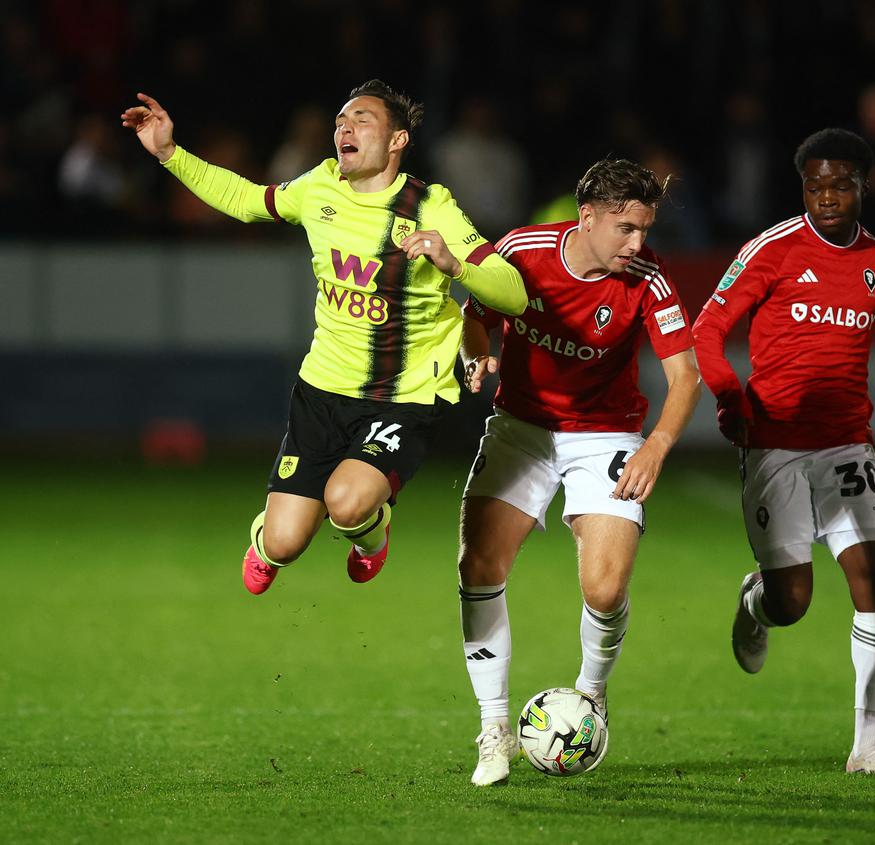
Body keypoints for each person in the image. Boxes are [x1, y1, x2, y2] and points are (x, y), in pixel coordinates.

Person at [120, 81, 527, 594]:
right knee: (283, 543)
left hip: (403, 397)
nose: (344, 129)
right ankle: (273, 541)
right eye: (340, 121)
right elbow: (248, 200)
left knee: (347, 502)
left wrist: (454, 263)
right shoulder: (320, 186)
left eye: (361, 120)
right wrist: (169, 154)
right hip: (322, 391)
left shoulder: (431, 207)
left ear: (397, 140)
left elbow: (513, 293)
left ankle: (371, 538)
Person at [693, 129, 875, 778]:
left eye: (840, 184)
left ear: (862, 187)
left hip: (845, 449)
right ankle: (756, 602)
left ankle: (868, 745)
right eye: (815, 185)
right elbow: (709, 328)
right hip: (775, 447)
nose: (827, 195)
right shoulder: (770, 249)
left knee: (873, 577)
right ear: (804, 188)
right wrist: (727, 396)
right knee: (792, 600)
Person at [456, 159, 701, 786]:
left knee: (605, 589)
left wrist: (658, 445)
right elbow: (476, 312)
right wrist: (477, 353)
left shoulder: (648, 276)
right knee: (479, 566)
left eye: (644, 229)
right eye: (625, 229)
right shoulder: (520, 251)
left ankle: (590, 697)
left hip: (607, 434)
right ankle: (494, 729)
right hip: (521, 428)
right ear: (585, 217)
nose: (638, 244)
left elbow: (685, 375)